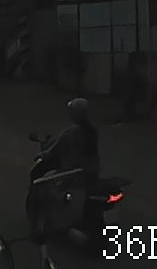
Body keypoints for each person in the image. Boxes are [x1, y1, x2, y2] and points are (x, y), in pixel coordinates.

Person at [27, 97, 101, 241]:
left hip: (72, 174)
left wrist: (41, 155)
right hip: (90, 173)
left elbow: (53, 150)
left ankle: (37, 229)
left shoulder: (72, 133)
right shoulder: (92, 132)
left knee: (40, 187)